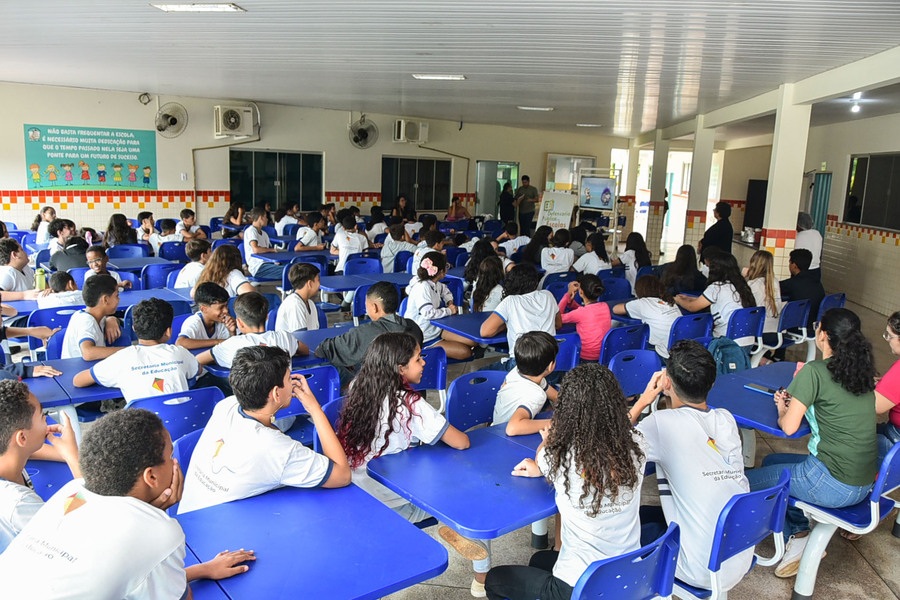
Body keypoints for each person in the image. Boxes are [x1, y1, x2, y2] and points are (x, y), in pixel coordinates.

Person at [0, 409, 256, 598]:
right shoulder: (161, 533)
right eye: (170, 456)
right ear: (151, 476)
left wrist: (202, 569)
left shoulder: (73, 491)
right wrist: (155, 520)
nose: (175, 462)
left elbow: (116, 577)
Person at [484, 363, 647, 600]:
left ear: (567, 409)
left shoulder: (560, 456)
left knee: (495, 580)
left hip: (580, 587)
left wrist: (550, 440)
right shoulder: (637, 444)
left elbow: (541, 458)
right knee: (539, 560)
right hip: (628, 575)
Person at [744, 308, 877, 578]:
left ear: (823, 336)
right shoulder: (861, 373)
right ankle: (799, 529)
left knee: (745, 481)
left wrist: (783, 408)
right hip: (865, 484)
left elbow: (790, 427)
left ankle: (799, 539)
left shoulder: (815, 371)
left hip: (830, 483)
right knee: (772, 461)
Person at [627, 340, 753, 592]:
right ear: (712, 383)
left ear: (666, 383)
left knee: (623, 527)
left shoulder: (661, 423)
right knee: (646, 514)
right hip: (737, 556)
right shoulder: (725, 419)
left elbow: (608, 443)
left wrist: (642, 402)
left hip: (696, 568)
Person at [178, 346, 351, 514]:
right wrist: (315, 408)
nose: (292, 384)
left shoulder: (227, 405)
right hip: (220, 532)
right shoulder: (277, 449)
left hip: (190, 513)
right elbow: (342, 475)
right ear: (276, 393)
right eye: (289, 378)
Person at [337, 332, 469, 522]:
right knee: (460, 491)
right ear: (400, 369)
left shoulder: (359, 385)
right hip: (394, 506)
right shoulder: (409, 403)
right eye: (418, 359)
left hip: (359, 492)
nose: (424, 363)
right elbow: (461, 442)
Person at [0, 381, 80, 552]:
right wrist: (74, 459)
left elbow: (27, 449)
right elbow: (73, 526)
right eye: (43, 416)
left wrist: (67, 451)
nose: (47, 421)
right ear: (21, 438)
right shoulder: (18, 504)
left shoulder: (9, 452)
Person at [73, 298, 202, 402]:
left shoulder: (121, 359)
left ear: (134, 329)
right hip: (186, 426)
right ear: (168, 332)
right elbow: (198, 369)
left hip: (143, 431)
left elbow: (78, 381)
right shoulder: (180, 353)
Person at [315, 282, 423, 389]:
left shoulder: (366, 332)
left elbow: (323, 350)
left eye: (366, 306)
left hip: (378, 394)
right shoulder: (414, 327)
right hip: (411, 390)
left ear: (374, 307)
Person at [482, 263, 562, 371]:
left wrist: (506, 325)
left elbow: (485, 332)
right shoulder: (548, 295)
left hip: (521, 365)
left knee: (480, 377)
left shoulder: (510, 301)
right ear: (536, 282)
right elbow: (558, 324)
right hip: (549, 365)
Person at [197, 292, 308, 369]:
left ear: (239, 322)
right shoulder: (285, 337)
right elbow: (305, 350)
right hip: (286, 400)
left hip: (250, 402)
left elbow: (198, 360)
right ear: (266, 318)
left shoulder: (232, 345)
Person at [404, 252, 477, 360]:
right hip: (423, 337)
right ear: (442, 271)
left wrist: (449, 302)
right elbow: (428, 313)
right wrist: (449, 310)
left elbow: (446, 291)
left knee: (473, 341)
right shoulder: (422, 287)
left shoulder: (435, 284)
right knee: (465, 352)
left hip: (436, 329)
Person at [675, 249, 756, 338]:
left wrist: (678, 300)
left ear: (715, 270)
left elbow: (692, 307)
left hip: (725, 342)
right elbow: (713, 301)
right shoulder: (740, 286)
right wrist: (689, 298)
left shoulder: (716, 287)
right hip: (747, 340)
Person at [492, 331, 558, 435]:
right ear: (550, 366)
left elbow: (557, 397)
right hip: (505, 437)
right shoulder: (536, 394)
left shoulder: (519, 371)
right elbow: (512, 428)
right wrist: (555, 423)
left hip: (496, 428)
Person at [614, 275, 681, 359]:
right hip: (680, 350)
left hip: (664, 353)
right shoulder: (670, 301)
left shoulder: (642, 303)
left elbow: (616, 309)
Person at [61, 274, 124, 360]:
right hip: (79, 371)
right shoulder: (87, 321)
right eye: (117, 295)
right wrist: (127, 351)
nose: (119, 300)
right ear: (105, 299)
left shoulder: (94, 314)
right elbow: (88, 353)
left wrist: (112, 319)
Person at [558, 274, 611, 363]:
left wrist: (567, 294)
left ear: (581, 292)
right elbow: (587, 311)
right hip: (603, 355)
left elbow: (558, 318)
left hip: (585, 358)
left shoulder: (581, 313)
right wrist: (571, 303)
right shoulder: (605, 306)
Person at [176, 282, 236, 350]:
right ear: (203, 309)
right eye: (221, 307)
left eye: (226, 305)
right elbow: (180, 342)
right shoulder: (194, 322)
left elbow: (231, 347)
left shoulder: (223, 321)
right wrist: (218, 341)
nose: (226, 311)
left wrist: (232, 332)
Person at [778, 248, 825, 332]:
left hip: (796, 325)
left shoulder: (792, 283)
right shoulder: (817, 282)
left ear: (794, 265)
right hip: (815, 323)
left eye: (790, 262)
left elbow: (774, 287)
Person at [875, 311, 900, 461]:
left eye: (889, 336)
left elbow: (875, 406)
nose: (887, 340)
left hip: (896, 436)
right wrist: (884, 384)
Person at [743, 250, 781, 343]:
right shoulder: (774, 282)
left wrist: (741, 277)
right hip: (776, 332)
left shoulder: (752, 284)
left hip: (759, 333)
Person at [275, 262, 321, 332]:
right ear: (310, 284)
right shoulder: (295, 304)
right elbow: (300, 339)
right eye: (318, 280)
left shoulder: (310, 303)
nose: (319, 284)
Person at [240, 207, 280, 281]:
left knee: (292, 267)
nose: (267, 219)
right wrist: (272, 250)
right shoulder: (251, 231)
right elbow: (256, 249)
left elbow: (266, 251)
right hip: (258, 267)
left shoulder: (264, 234)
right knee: (289, 271)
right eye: (265, 217)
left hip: (267, 263)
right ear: (261, 218)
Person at [795, 212, 823, 282]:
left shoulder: (798, 237)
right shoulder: (817, 234)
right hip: (816, 270)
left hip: (802, 271)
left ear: (798, 225)